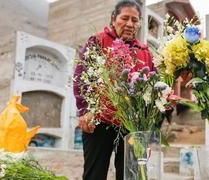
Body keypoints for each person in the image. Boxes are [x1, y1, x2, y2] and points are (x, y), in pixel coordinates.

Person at [73, 1, 153, 179]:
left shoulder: (145, 52)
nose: (130, 24)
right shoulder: (98, 41)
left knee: (131, 176)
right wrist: (85, 110)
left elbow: (153, 88)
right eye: (124, 18)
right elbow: (81, 76)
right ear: (113, 19)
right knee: (95, 174)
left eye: (135, 20)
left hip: (132, 126)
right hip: (99, 123)